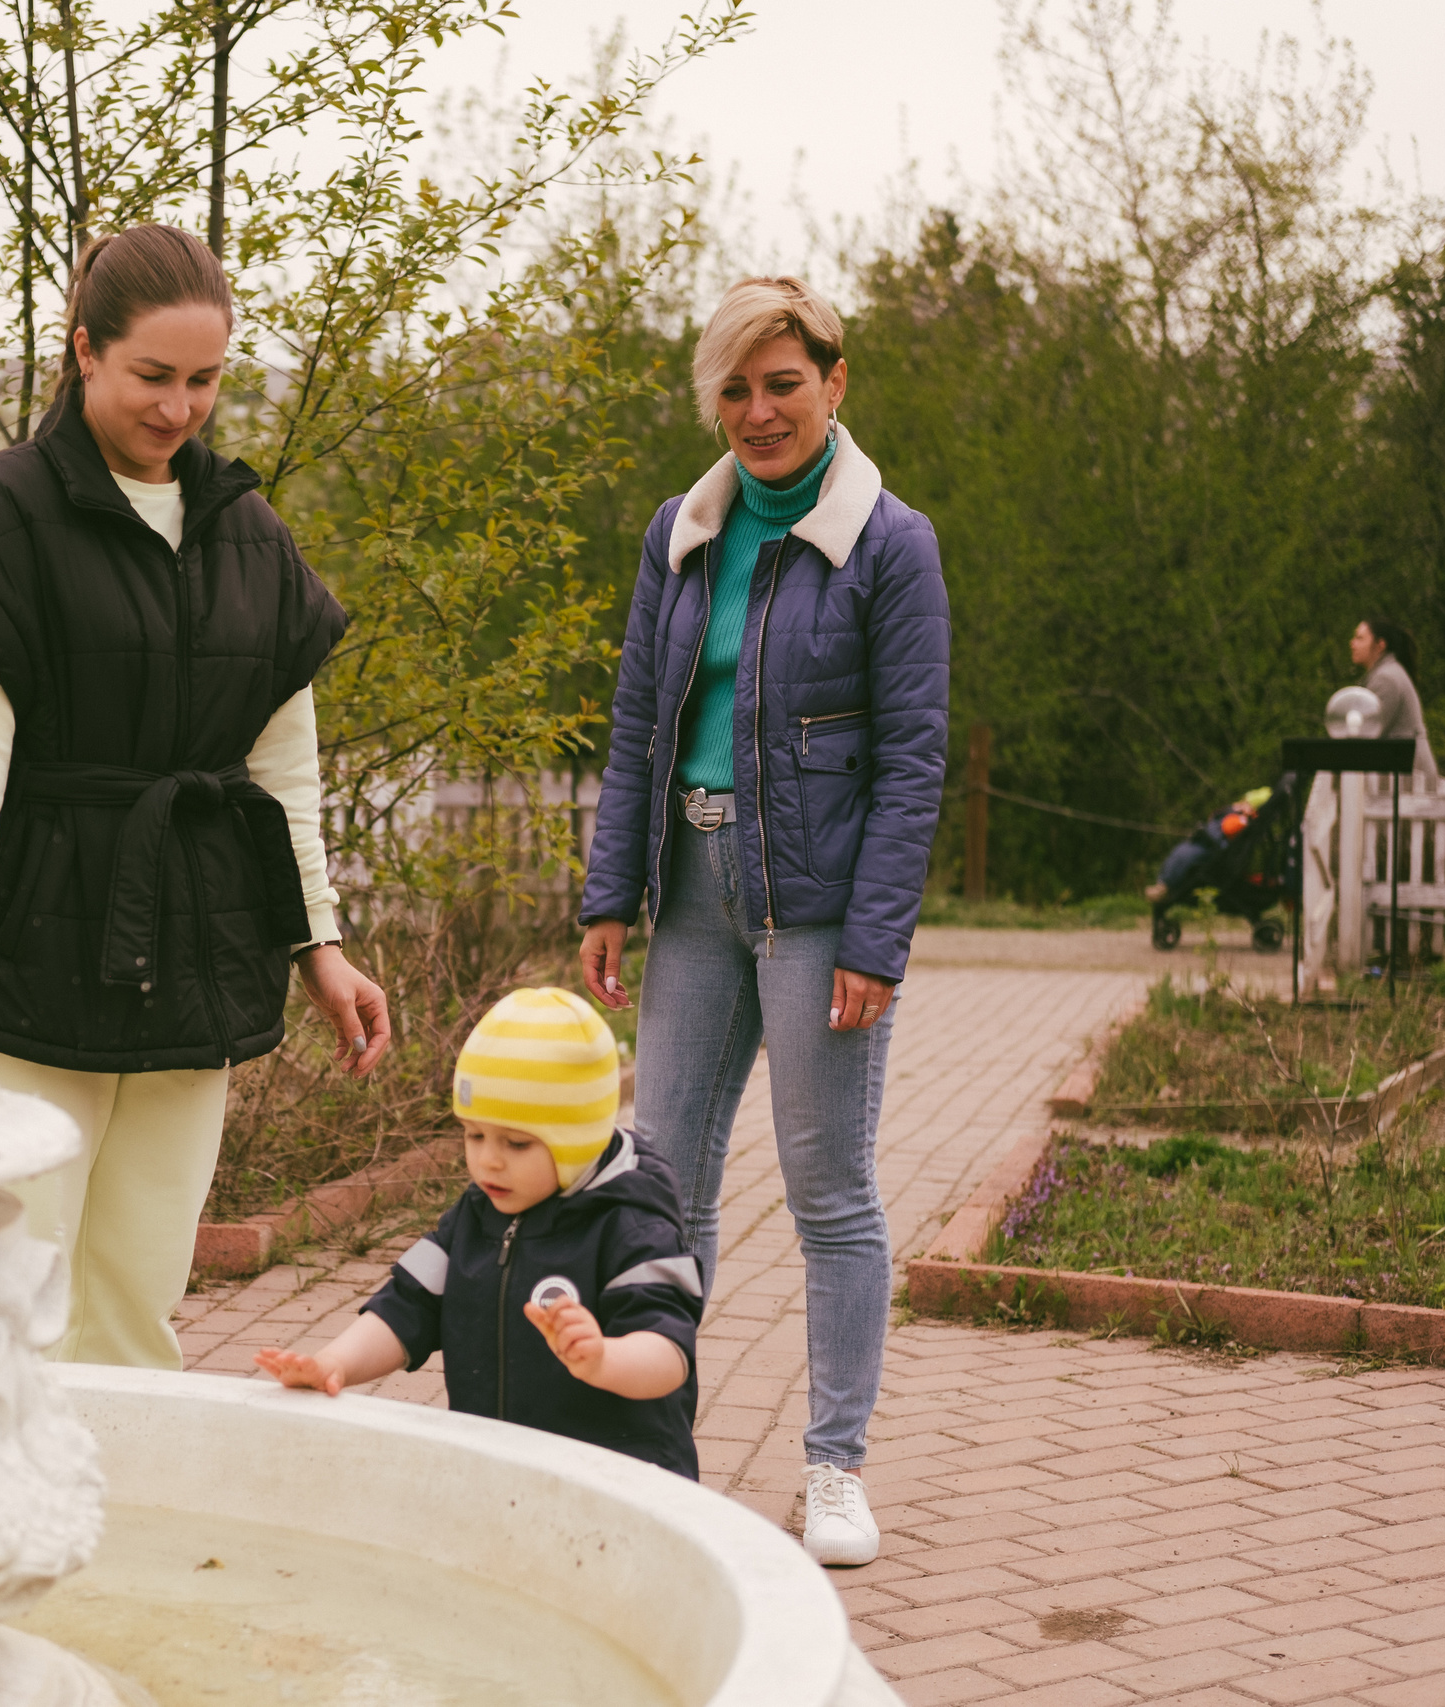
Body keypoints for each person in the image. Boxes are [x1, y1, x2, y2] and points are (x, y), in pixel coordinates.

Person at [0, 223, 392, 1371]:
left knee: (137, 1297)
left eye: (203, 380)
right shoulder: (2, 515)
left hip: (198, 941)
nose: (179, 407)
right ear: (83, 354)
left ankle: (115, 1539)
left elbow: (282, 772)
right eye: (152, 376)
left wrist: (321, 943)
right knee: (12, 1292)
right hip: (29, 943)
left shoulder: (251, 536)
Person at [574, 275, 949, 1565]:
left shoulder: (891, 544)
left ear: (834, 384)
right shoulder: (679, 532)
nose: (757, 410)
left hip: (819, 910)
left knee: (825, 1186)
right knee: (658, 1182)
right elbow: (637, 728)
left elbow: (910, 759)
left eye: (781, 382)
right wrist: (608, 892)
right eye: (732, 388)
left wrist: (873, 943)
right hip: (688, 895)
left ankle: (834, 1467)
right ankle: (651, 1444)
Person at [253, 988, 701, 1479]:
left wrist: (603, 1358)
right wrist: (334, 1362)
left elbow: (669, 1353)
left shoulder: (632, 1223)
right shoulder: (479, 1210)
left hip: (621, 1489)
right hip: (501, 1474)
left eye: (516, 1142)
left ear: (578, 1140)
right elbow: (409, 1305)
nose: (488, 1159)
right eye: (474, 1134)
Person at [1352, 617, 1439, 780]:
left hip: (1411, 777)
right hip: (1405, 775)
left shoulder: (1385, 678)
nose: (1352, 644)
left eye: (1360, 638)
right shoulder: (1387, 672)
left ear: (1380, 645)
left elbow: (1367, 734)